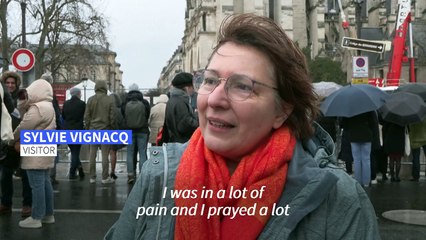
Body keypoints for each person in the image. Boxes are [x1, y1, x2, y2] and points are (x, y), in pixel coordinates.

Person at [105, 14, 380, 239]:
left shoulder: (338, 200)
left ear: (282, 110)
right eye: (210, 80)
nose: (214, 99)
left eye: (242, 86)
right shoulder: (157, 175)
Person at [13, 79, 56, 228]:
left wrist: (12, 139)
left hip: (34, 150)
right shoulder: (48, 106)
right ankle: (48, 215)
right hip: (45, 147)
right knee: (45, 183)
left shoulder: (38, 108)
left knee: (37, 185)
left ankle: (36, 217)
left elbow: (24, 126)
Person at [0, 72, 32, 218]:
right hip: (6, 142)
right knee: (5, 175)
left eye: (13, 83)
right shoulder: (1, 98)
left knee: (26, 174)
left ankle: (27, 205)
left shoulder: (23, 97)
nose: (10, 85)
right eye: (7, 83)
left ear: (17, 84)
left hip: (22, 140)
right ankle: (6, 203)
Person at [84, 80, 115, 184]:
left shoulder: (90, 100)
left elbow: (87, 117)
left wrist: (88, 128)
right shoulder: (110, 100)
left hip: (93, 130)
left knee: (92, 154)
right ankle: (105, 177)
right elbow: (112, 117)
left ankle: (92, 177)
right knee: (105, 155)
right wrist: (112, 128)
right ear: (105, 87)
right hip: (105, 130)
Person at [122, 83, 150, 184]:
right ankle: (142, 175)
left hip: (129, 131)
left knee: (130, 153)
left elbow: (123, 115)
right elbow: (147, 115)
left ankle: (130, 174)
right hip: (142, 130)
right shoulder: (144, 102)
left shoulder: (125, 102)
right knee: (142, 153)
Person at [341, 111, 376, 187]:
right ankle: (366, 182)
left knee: (356, 160)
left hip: (354, 136)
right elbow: (373, 123)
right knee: (366, 160)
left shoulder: (350, 109)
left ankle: (358, 182)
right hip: (367, 136)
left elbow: (345, 124)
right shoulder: (369, 109)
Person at [40, 72, 62, 184]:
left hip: (39, 130)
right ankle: (51, 177)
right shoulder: (51, 97)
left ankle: (45, 176)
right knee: (52, 156)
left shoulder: (35, 95)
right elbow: (57, 114)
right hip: (51, 130)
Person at [164, 72, 199, 143]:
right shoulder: (180, 102)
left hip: (175, 141)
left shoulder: (173, 99)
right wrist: (197, 116)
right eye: (192, 87)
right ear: (187, 87)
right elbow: (185, 125)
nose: (193, 89)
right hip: (182, 143)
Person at [62, 87, 86, 180]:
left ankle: (80, 169)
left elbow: (63, 116)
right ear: (78, 94)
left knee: (73, 151)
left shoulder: (66, 104)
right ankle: (72, 172)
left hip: (68, 130)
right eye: (80, 93)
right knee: (76, 152)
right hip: (78, 130)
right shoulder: (82, 104)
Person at [109, 93, 125, 180]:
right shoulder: (119, 111)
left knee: (105, 153)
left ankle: (105, 171)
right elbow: (122, 123)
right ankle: (112, 170)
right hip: (116, 133)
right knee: (113, 153)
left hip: (106, 132)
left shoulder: (106, 110)